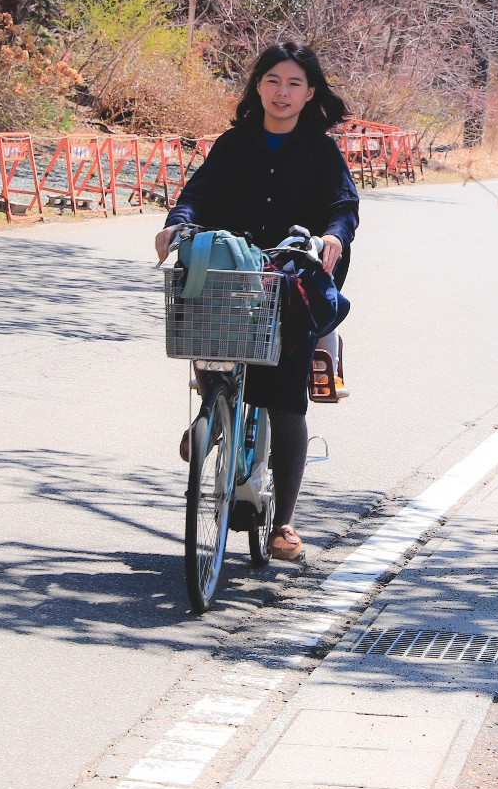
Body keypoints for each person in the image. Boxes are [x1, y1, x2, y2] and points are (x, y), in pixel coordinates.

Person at [153, 42, 359, 562]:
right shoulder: (235, 144)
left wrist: (333, 236)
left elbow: (343, 207)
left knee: (287, 399)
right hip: (235, 265)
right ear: (257, 87)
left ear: (310, 93)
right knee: (208, 324)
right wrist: (178, 222)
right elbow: (198, 192)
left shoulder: (320, 150)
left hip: (291, 273)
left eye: (293, 83)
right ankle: (213, 406)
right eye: (271, 81)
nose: (281, 92)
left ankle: (285, 522)